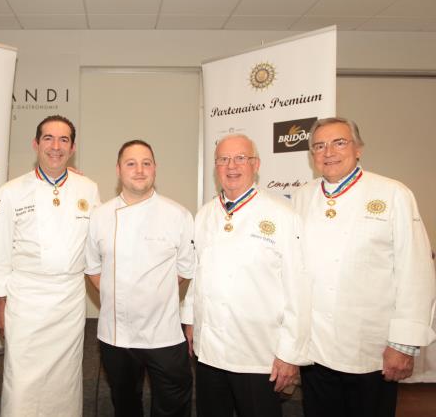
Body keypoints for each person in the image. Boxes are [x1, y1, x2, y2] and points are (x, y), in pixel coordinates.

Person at [292, 117, 436, 417]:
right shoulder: (302, 197)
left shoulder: (393, 194)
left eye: (339, 142)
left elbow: (416, 272)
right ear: (312, 156)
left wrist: (404, 344)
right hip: (315, 349)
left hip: (371, 350)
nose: (329, 151)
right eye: (319, 146)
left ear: (358, 149)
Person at [181, 133, 310, 417]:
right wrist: (190, 320)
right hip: (210, 352)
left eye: (241, 158)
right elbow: (198, 274)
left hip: (258, 354)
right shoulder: (204, 215)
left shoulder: (281, 215)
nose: (232, 166)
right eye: (223, 159)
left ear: (256, 164)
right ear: (216, 167)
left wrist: (290, 354)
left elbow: (298, 290)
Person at [0, 115, 100, 416]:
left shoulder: (88, 188)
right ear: (36, 144)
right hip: (25, 299)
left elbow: (98, 241)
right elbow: (0, 250)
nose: (56, 146)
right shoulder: (12, 191)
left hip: (68, 299)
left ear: (73, 147)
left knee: (65, 380)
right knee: (22, 380)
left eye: (63, 139)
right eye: (49, 139)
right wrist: (0, 302)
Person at [85, 140, 195, 417]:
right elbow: (93, 268)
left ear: (155, 169)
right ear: (119, 169)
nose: (139, 170)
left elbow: (185, 269)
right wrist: (117, 293)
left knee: (173, 405)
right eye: (131, 163)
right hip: (116, 335)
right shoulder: (100, 216)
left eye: (146, 163)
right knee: (125, 404)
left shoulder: (178, 215)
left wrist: (152, 293)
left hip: (165, 334)